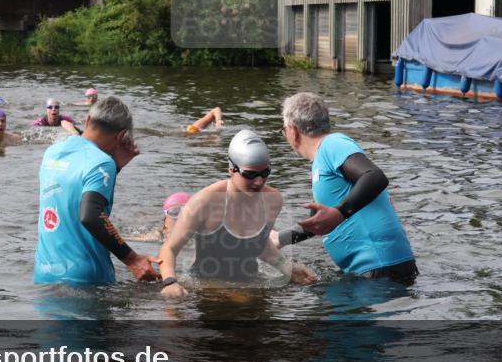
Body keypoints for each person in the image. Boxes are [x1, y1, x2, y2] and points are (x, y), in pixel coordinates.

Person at [277, 92, 418, 283]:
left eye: (284, 130)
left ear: (292, 131)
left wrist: (341, 212)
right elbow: (320, 222)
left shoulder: (332, 145)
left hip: (380, 268)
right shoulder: (322, 159)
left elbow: (374, 176)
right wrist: (279, 239)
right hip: (375, 270)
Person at [157, 130, 317, 296]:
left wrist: (288, 268)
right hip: (206, 287)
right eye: (250, 174)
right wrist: (170, 282)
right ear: (231, 169)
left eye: (265, 173)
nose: (259, 182)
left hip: (250, 284)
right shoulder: (204, 202)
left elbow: (260, 245)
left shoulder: (273, 200)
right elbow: (169, 249)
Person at [34, 96, 159, 286]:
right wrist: (132, 259)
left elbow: (72, 195)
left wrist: (116, 168)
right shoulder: (101, 162)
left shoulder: (52, 152)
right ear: (121, 136)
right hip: (85, 279)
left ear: (87, 120)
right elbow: (90, 215)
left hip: (44, 273)